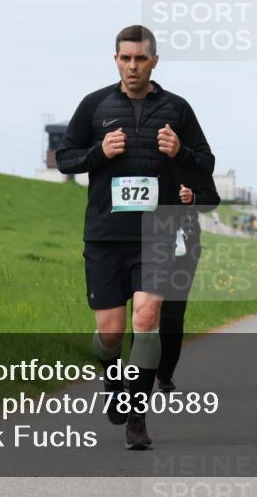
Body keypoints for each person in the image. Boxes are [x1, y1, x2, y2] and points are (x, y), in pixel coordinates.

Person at [56, 24, 214, 450]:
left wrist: (180, 150)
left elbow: (206, 163)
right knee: (110, 333)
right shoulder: (94, 105)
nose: (132, 66)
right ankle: (113, 381)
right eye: (125, 58)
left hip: (156, 233)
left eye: (140, 59)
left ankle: (137, 418)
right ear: (115, 60)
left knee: (146, 320)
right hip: (106, 235)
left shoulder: (177, 109)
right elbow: (65, 158)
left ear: (154, 61)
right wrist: (97, 153)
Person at [157, 169, 220, 392]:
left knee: (173, 313)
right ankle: (138, 370)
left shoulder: (193, 159)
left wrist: (193, 198)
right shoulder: (142, 150)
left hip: (185, 244)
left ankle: (165, 373)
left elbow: (211, 199)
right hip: (147, 241)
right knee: (143, 310)